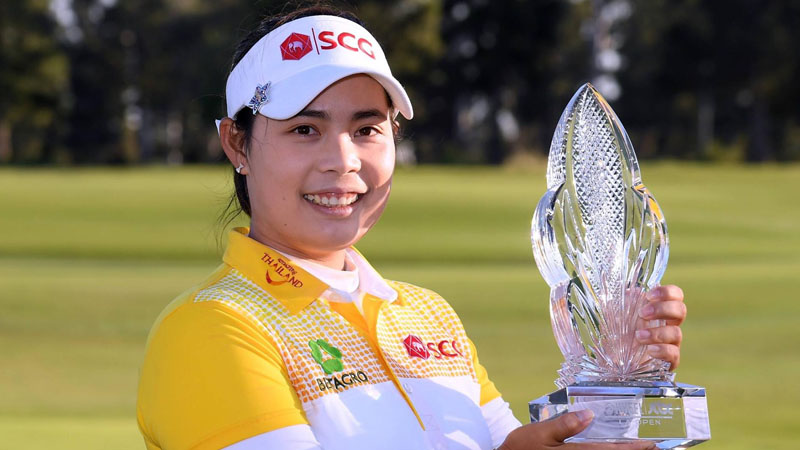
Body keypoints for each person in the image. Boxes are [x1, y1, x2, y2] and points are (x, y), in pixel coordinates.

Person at [136, 6, 687, 450]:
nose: (343, 160)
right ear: (237, 144)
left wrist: (621, 389)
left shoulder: (426, 313)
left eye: (368, 128)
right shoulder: (213, 327)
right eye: (305, 129)